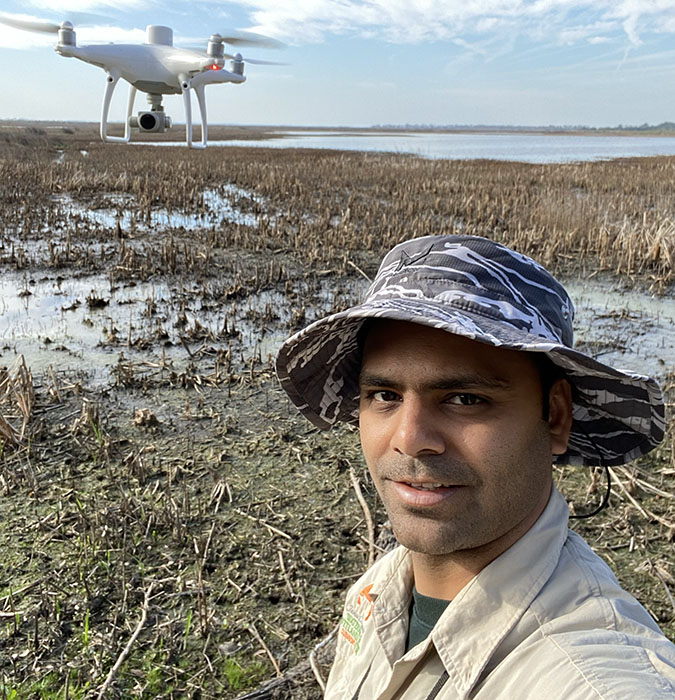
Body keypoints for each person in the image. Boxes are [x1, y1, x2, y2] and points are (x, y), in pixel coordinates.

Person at [275, 234, 675, 699]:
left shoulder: (594, 681)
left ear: (556, 417)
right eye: (384, 395)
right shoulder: (377, 592)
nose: (410, 440)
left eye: (466, 399)